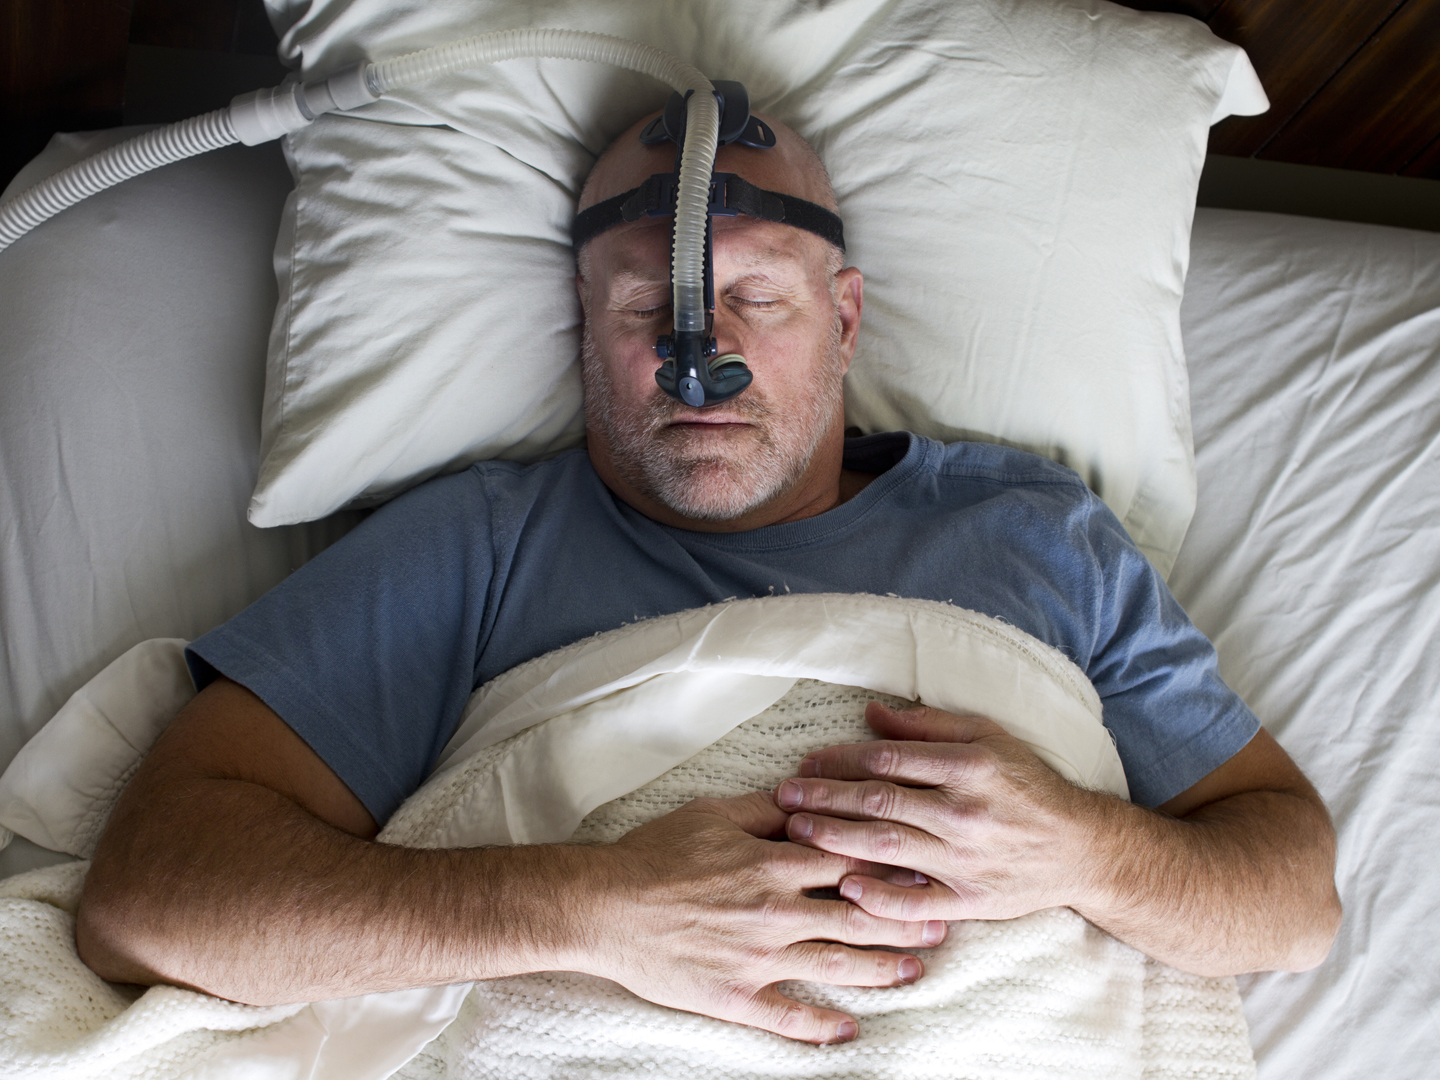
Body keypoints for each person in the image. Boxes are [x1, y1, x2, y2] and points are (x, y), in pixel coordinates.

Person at [75, 113, 1341, 1048]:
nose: (704, 362)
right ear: (584, 326)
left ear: (846, 318)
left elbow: (1289, 904)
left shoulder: (1039, 536)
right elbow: (154, 899)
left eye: (755, 300)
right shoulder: (475, 542)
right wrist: (587, 906)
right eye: (647, 314)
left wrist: (1083, 852)